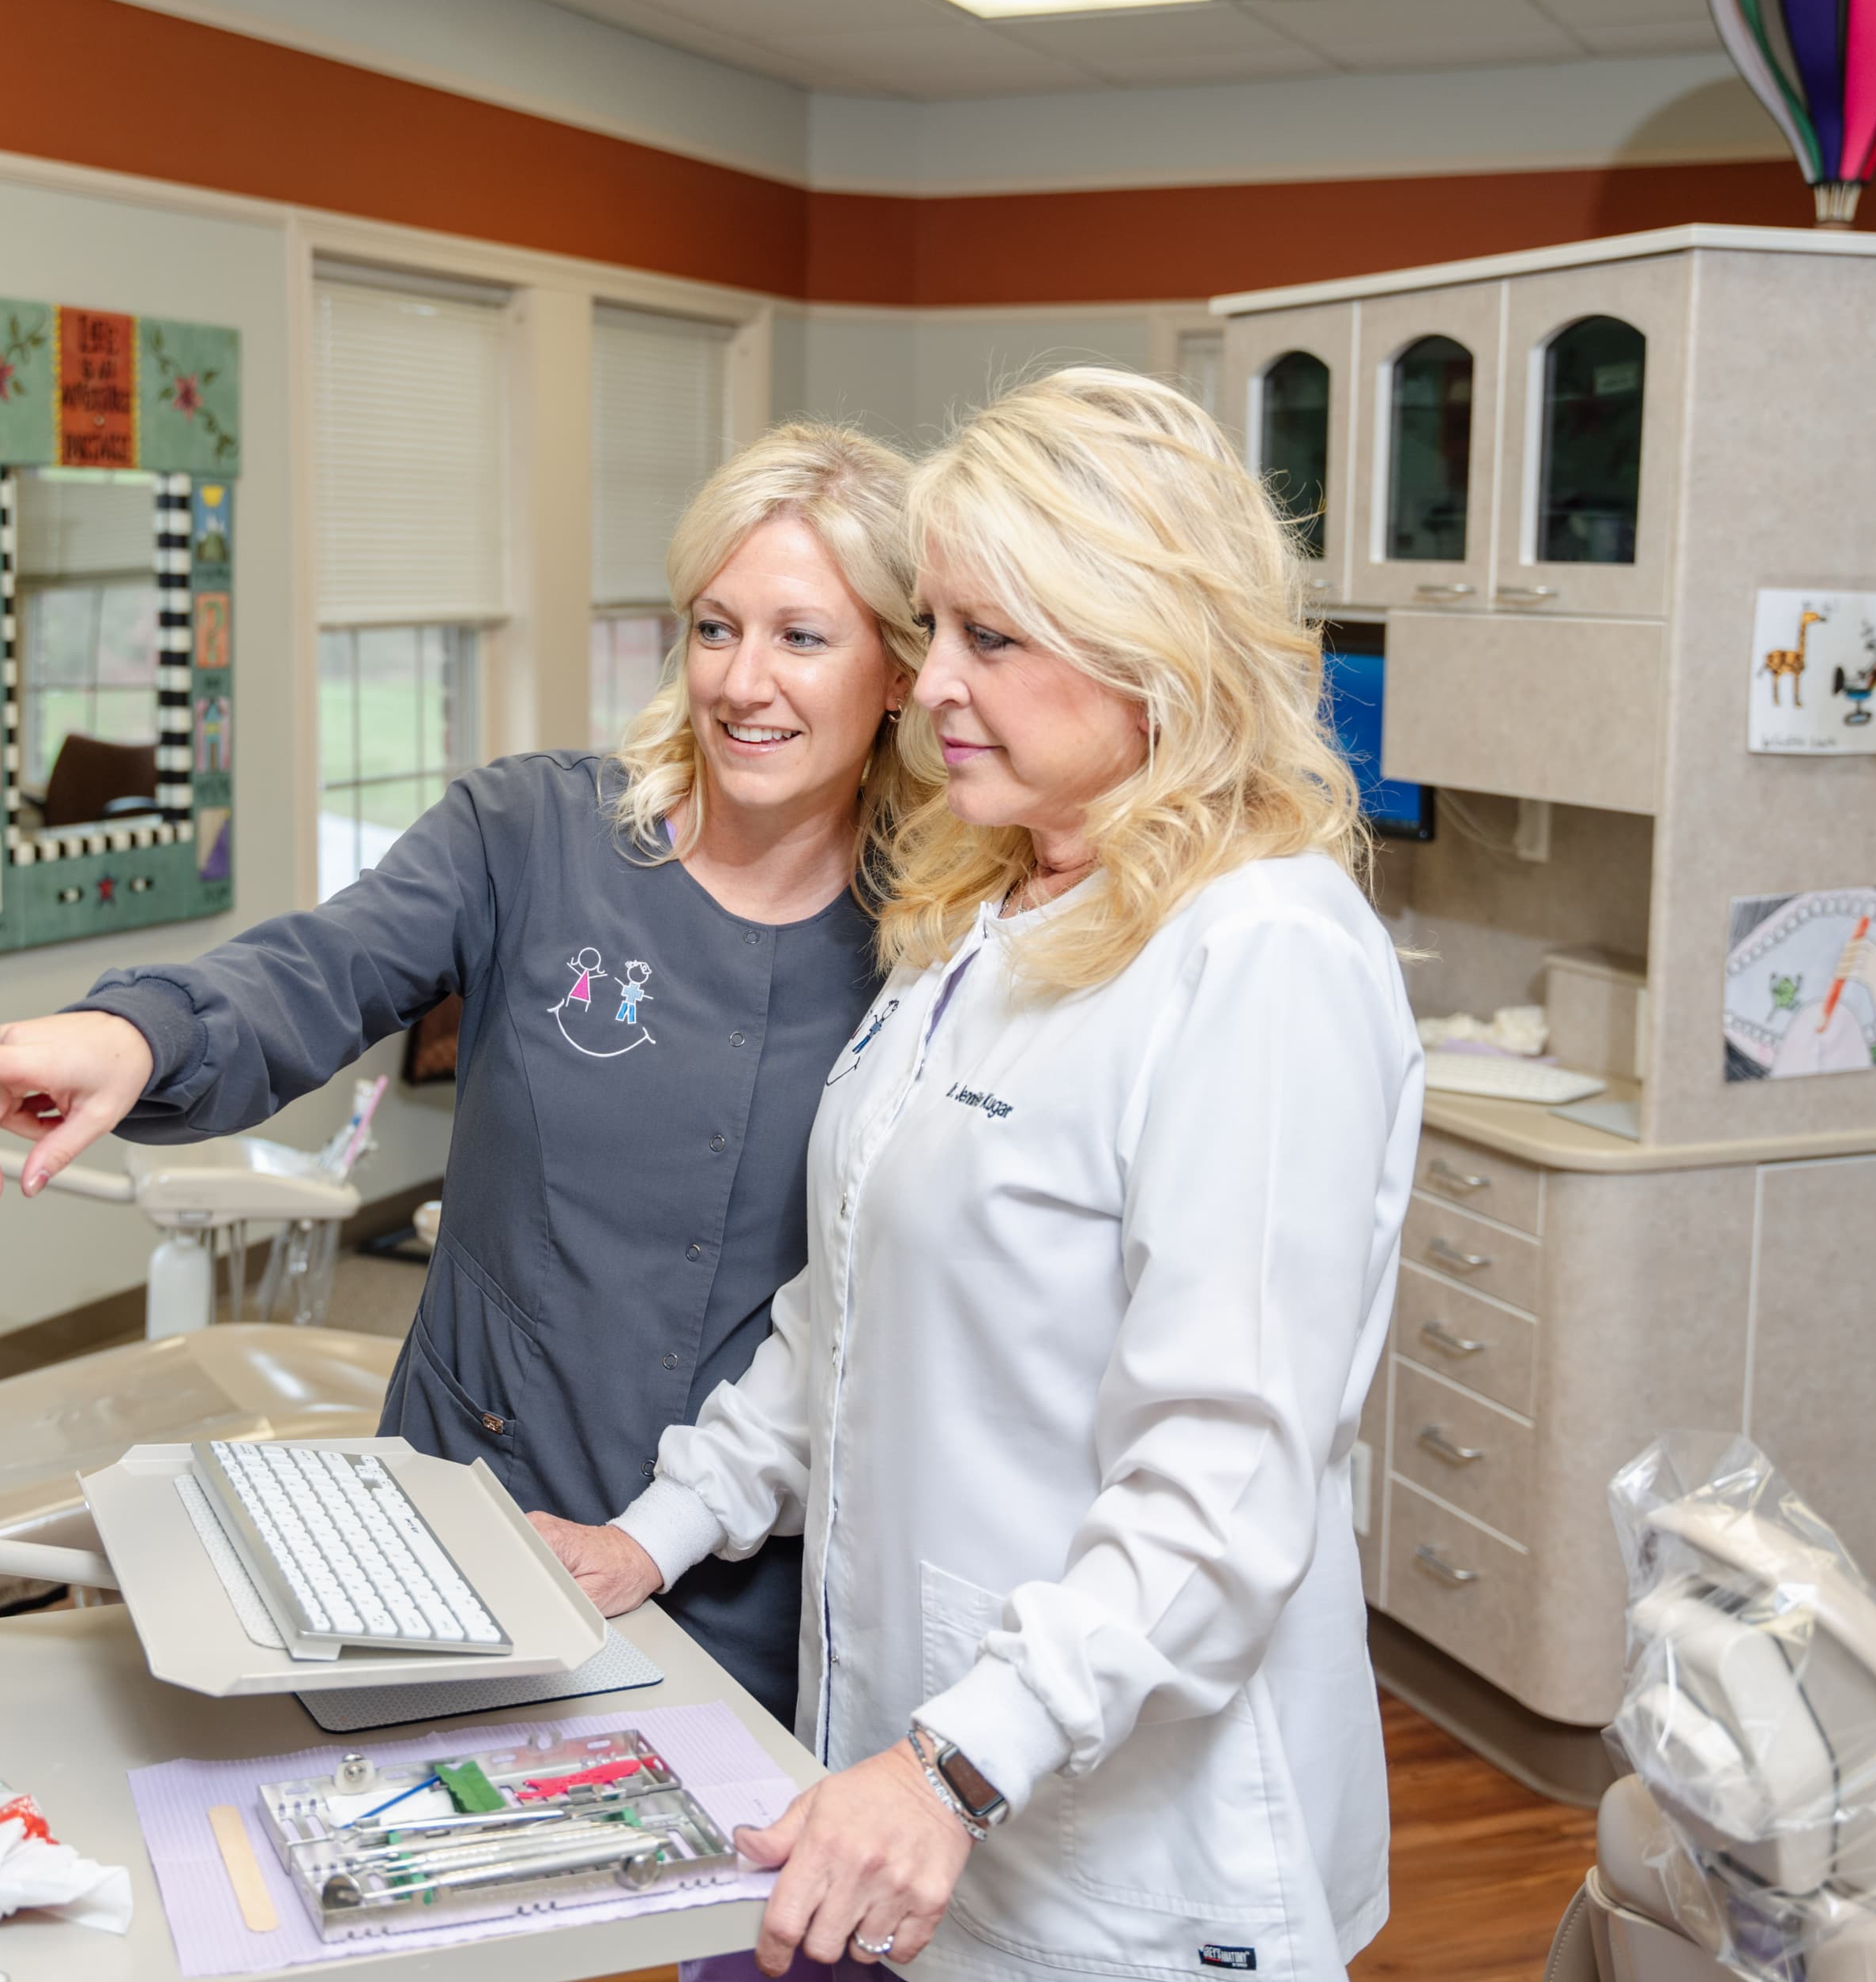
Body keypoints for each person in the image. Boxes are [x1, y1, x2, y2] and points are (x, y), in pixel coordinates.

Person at [540, 368, 1423, 1976]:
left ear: (1149, 639)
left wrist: (962, 1755)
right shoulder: (990, 913)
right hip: (913, 1787)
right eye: (932, 626)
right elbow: (847, 1304)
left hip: (1125, 1858)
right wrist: (655, 1531)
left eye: (990, 637)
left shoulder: (1263, 950)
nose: (931, 681)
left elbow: (1224, 1484)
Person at [0, 424, 934, 1724]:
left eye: (802, 637)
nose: (742, 682)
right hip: (477, 1493)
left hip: (755, 1565)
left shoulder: (939, 936)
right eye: (712, 627)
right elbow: (319, 970)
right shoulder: (533, 833)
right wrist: (135, 1035)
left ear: (903, 673)